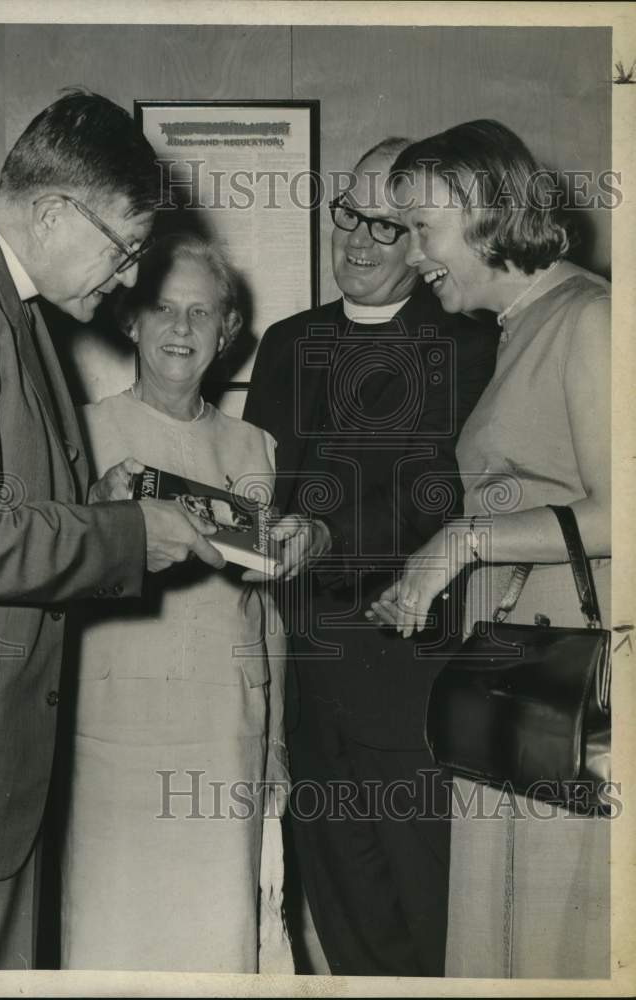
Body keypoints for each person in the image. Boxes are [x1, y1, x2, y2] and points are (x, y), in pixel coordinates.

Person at [0, 91, 224, 971]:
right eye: (122, 251)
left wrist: (96, 501)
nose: (127, 279)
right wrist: (122, 538)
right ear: (52, 211)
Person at [243, 139, 499, 976]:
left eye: (386, 226)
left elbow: (433, 489)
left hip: (407, 682)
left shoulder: (467, 343)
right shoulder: (286, 341)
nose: (355, 240)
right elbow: (262, 482)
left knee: (431, 921)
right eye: (346, 213)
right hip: (304, 680)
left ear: (423, 241)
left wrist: (321, 533)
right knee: (339, 913)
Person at [368, 119, 611, 978]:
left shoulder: (588, 320)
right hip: (511, 680)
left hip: (564, 696)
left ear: (479, 209)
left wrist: (462, 542)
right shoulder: (522, 323)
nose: (408, 252)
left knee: (551, 941)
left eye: (420, 227)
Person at [60, 234, 293, 973]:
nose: (181, 329)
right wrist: (97, 517)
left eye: (202, 312)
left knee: (216, 948)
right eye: (162, 308)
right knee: (109, 940)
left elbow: (264, 616)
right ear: (130, 320)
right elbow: (46, 582)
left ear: (227, 333)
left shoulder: (257, 447)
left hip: (225, 738)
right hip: (111, 739)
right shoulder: (82, 437)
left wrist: (277, 740)